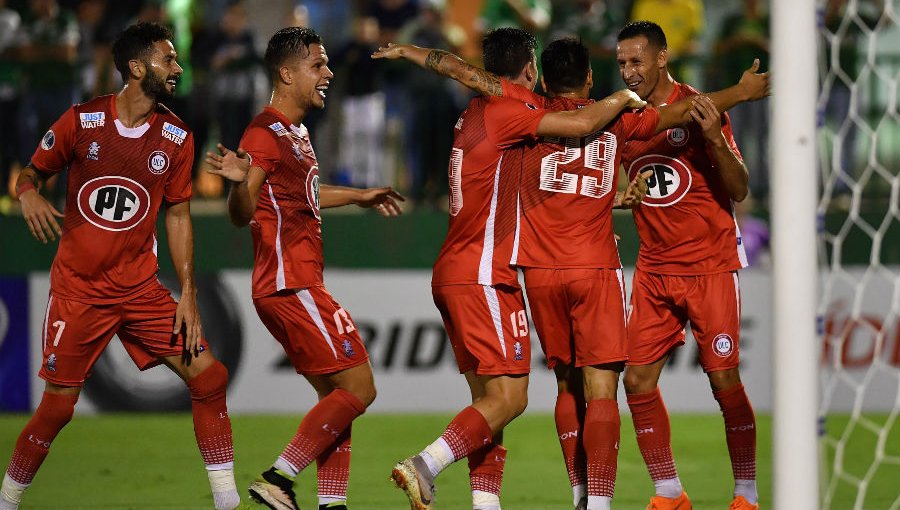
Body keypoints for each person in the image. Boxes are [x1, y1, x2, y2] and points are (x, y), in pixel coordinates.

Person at [375, 30, 767, 510]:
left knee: (563, 384)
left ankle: (576, 495)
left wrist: (414, 51)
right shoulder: (617, 117)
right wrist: (741, 94)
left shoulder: (528, 114)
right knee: (602, 388)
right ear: (589, 76)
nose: (626, 72)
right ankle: (600, 504)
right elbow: (678, 114)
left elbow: (468, 74)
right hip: (595, 269)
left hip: (539, 273)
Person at [373, 27, 647, 510]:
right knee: (511, 400)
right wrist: (623, 96)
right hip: (484, 272)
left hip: (454, 269)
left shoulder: (474, 113)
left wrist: (411, 51)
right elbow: (583, 125)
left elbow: (460, 74)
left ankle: (485, 504)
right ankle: (426, 464)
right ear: (529, 69)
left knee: (489, 406)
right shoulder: (513, 113)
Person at [0, 22, 240, 510]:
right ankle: (6, 501)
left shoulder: (176, 136)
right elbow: (30, 174)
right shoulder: (81, 121)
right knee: (57, 409)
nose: (177, 68)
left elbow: (177, 215)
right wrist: (26, 196)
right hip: (79, 291)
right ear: (136, 67)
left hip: (140, 291)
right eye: (167, 60)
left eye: (176, 60)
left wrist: (189, 294)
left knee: (209, 378)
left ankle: (227, 502)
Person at [204, 26, 403, 510]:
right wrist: (236, 185)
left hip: (293, 283)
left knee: (337, 402)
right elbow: (242, 211)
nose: (328, 73)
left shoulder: (295, 132)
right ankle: (278, 477)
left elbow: (301, 195)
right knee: (360, 387)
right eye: (318, 65)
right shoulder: (264, 132)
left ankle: (332, 504)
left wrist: (358, 194)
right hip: (290, 282)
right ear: (287, 73)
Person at [617, 20, 759, 510]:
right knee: (636, 380)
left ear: (661, 58)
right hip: (655, 270)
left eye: (636, 61)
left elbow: (739, 189)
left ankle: (746, 494)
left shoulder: (701, 106)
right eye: (621, 63)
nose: (628, 72)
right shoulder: (622, 117)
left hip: (709, 265)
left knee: (724, 380)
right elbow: (627, 179)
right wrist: (624, 193)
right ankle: (669, 492)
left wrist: (715, 140)